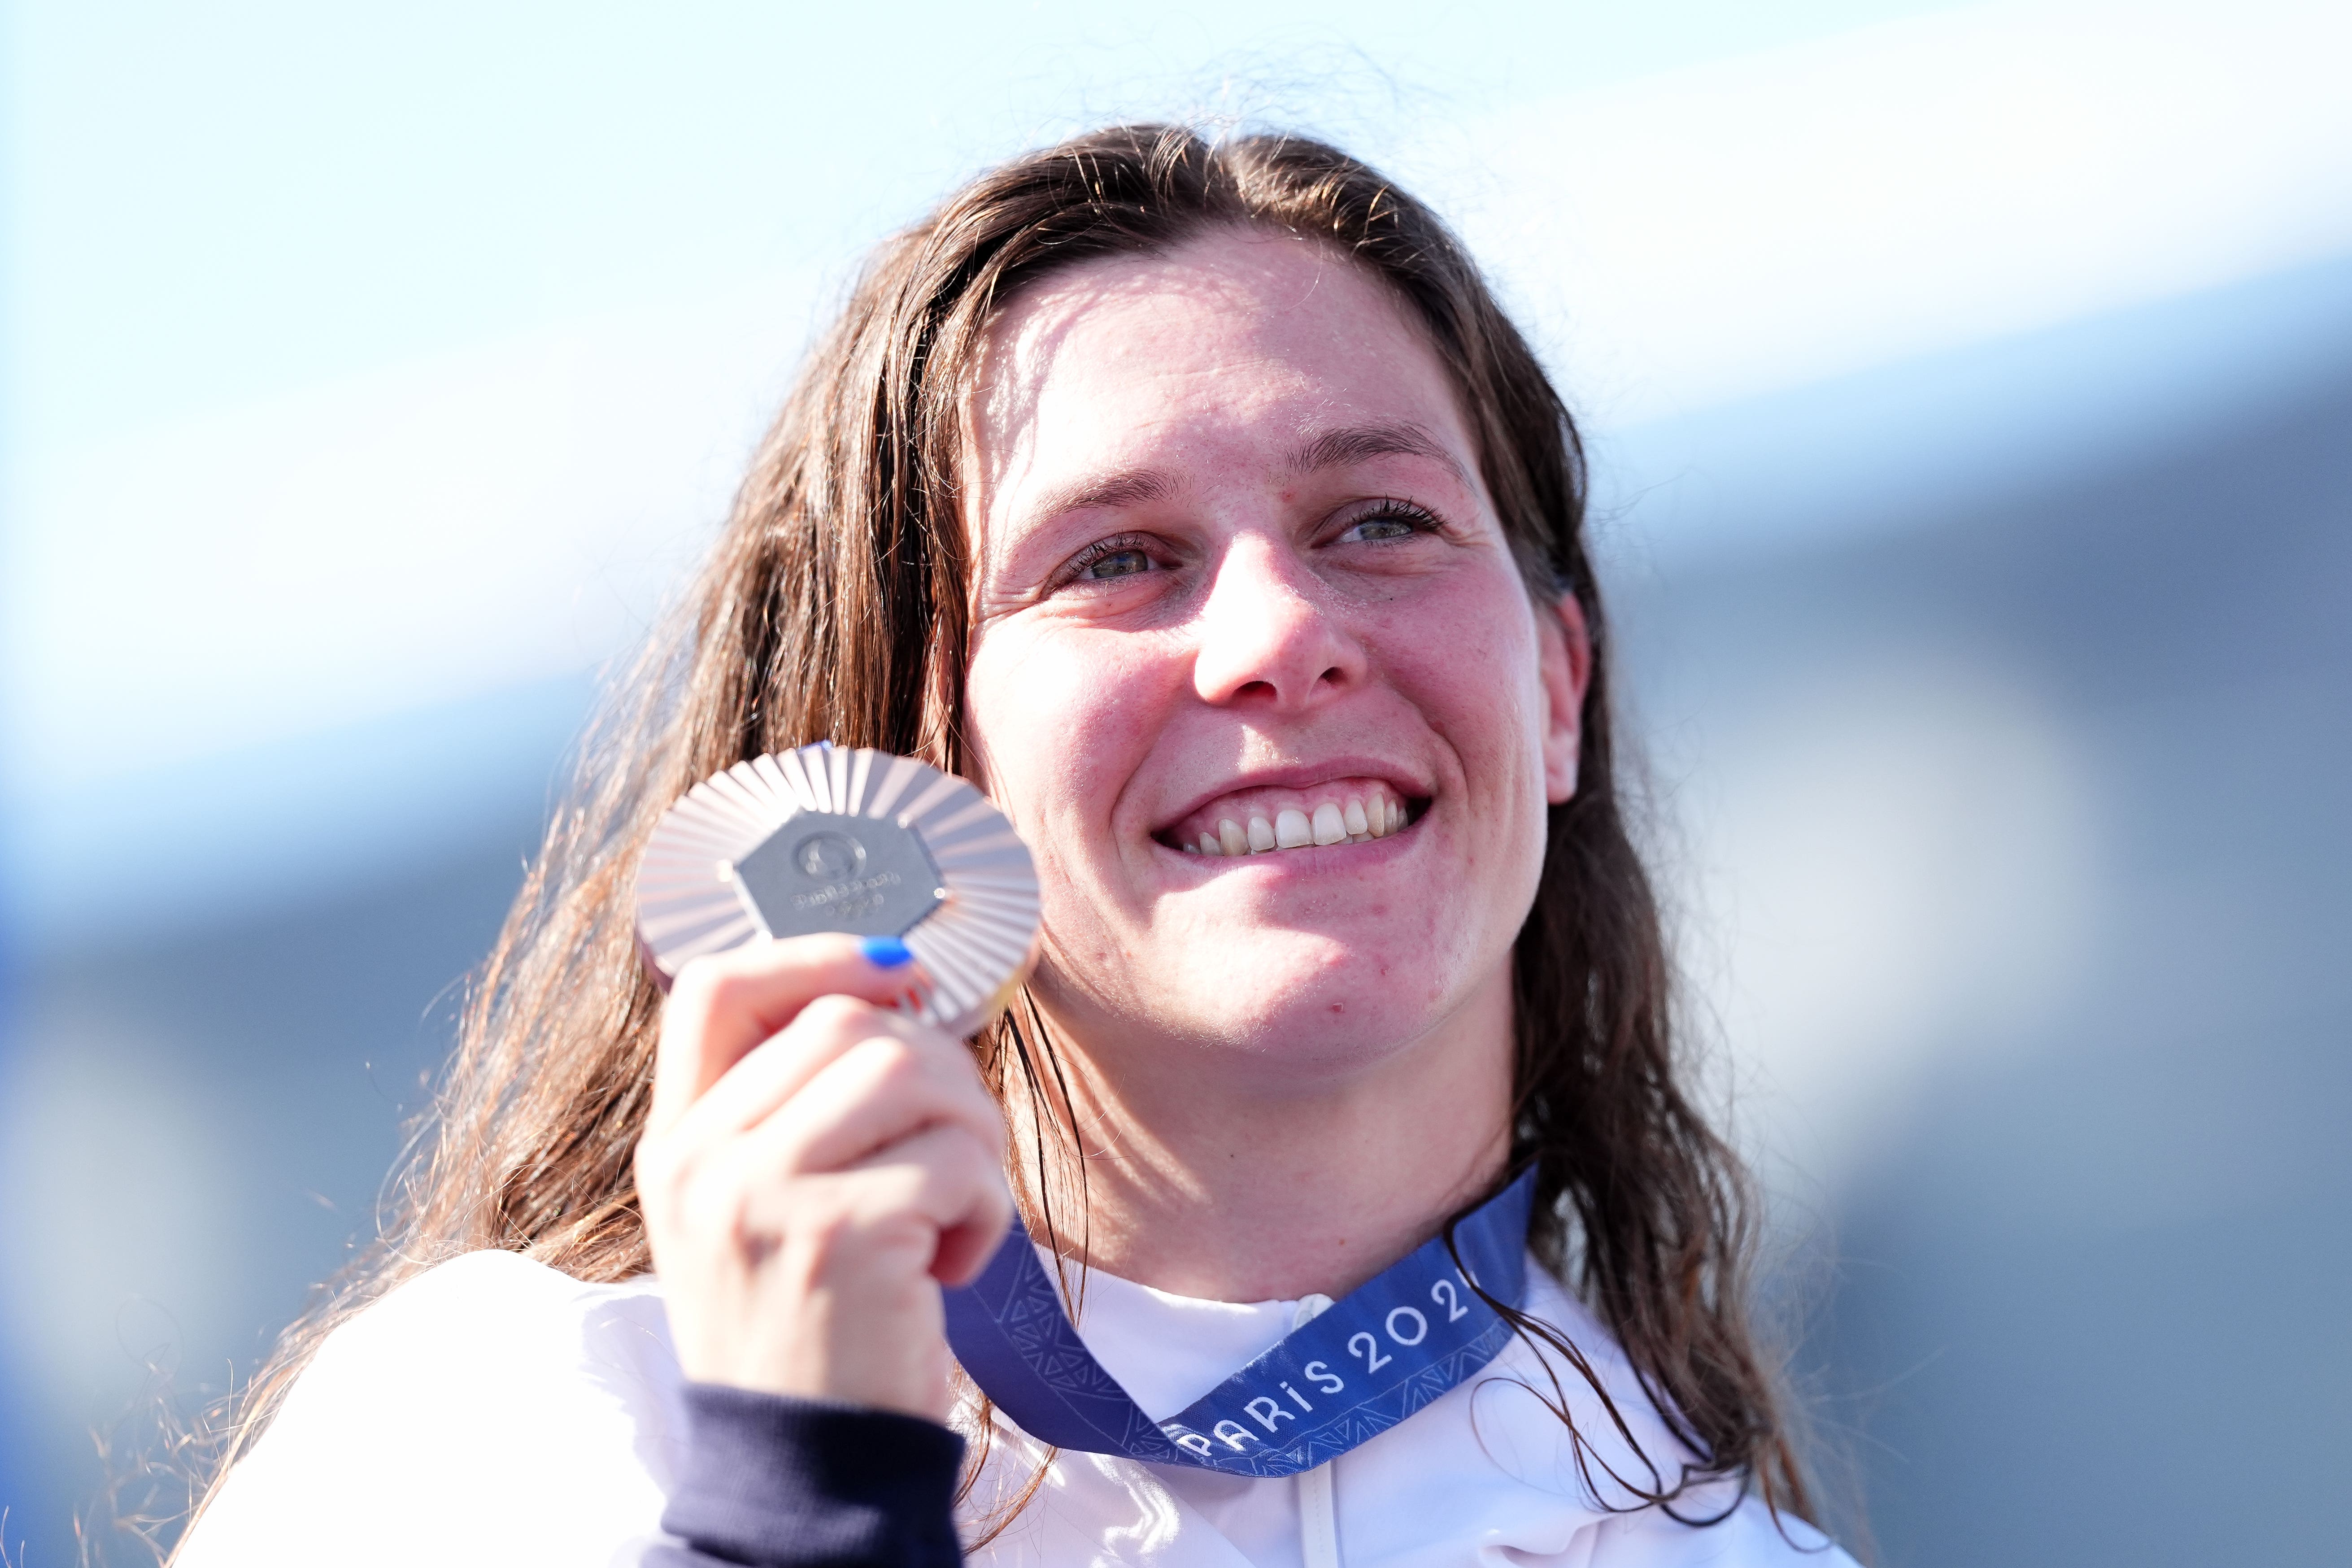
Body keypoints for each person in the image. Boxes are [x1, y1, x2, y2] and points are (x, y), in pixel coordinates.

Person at [172, 124, 1858, 1568]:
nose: (1278, 631)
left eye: (1381, 522)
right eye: (1117, 558)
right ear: (920, 764)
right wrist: (799, 1497)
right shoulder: (507, 1444)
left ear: (1559, 690)